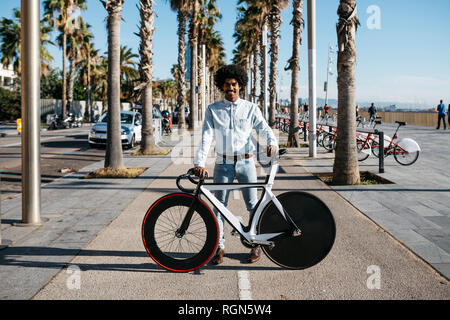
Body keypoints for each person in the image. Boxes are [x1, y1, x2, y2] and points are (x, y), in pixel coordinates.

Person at [193, 64, 278, 265]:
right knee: (218, 207)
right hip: (222, 163)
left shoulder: (250, 108)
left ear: (240, 86)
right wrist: (199, 162)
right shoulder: (213, 110)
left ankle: (256, 244)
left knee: (253, 205)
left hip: (246, 163)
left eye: (234, 85)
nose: (230, 88)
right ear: (222, 87)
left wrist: (272, 143)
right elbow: (206, 137)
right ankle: (219, 247)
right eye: (226, 85)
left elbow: (264, 128)